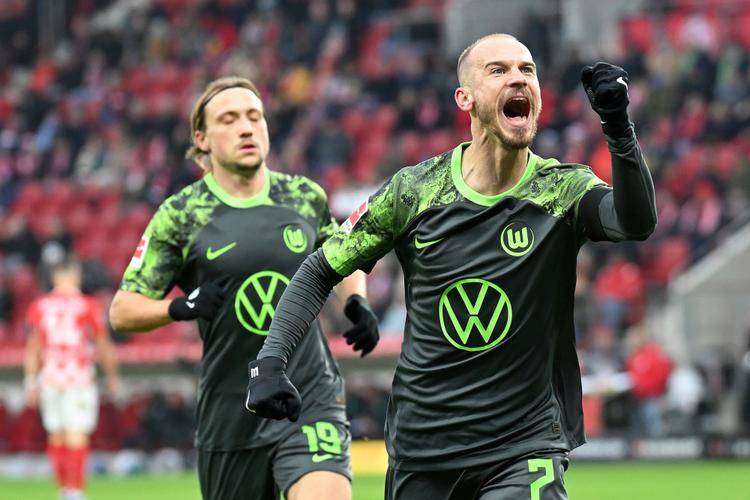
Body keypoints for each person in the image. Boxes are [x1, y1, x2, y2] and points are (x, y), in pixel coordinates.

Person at [246, 33, 657, 499]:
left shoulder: (561, 190)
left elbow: (635, 222)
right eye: (498, 70)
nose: (518, 78)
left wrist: (618, 127)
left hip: (523, 446)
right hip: (424, 450)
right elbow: (321, 268)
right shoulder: (415, 191)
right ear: (465, 98)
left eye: (527, 70)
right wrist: (270, 361)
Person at [108, 76, 378, 500]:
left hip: (308, 394)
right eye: (229, 119)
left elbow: (341, 260)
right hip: (231, 412)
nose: (247, 128)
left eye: (255, 117)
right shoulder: (182, 214)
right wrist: (179, 308)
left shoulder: (302, 197)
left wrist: (356, 300)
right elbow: (122, 311)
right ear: (202, 139)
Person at [25, 256, 120, 500]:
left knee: (56, 434)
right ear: (76, 276)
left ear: (55, 278)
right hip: (78, 377)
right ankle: (75, 491)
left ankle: (63, 490)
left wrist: (30, 381)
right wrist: (112, 376)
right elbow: (102, 343)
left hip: (50, 377)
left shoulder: (40, 306)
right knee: (76, 433)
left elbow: (33, 347)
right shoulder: (87, 305)